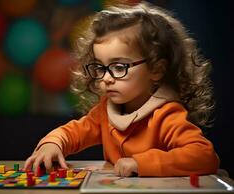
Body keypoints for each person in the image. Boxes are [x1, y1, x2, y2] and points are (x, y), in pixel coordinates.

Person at [24, 2, 219, 177]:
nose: (106, 78)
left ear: (156, 70)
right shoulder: (104, 112)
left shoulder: (167, 115)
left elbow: (204, 156)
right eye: (100, 67)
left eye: (119, 67)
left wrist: (140, 163)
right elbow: (72, 132)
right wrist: (52, 143)